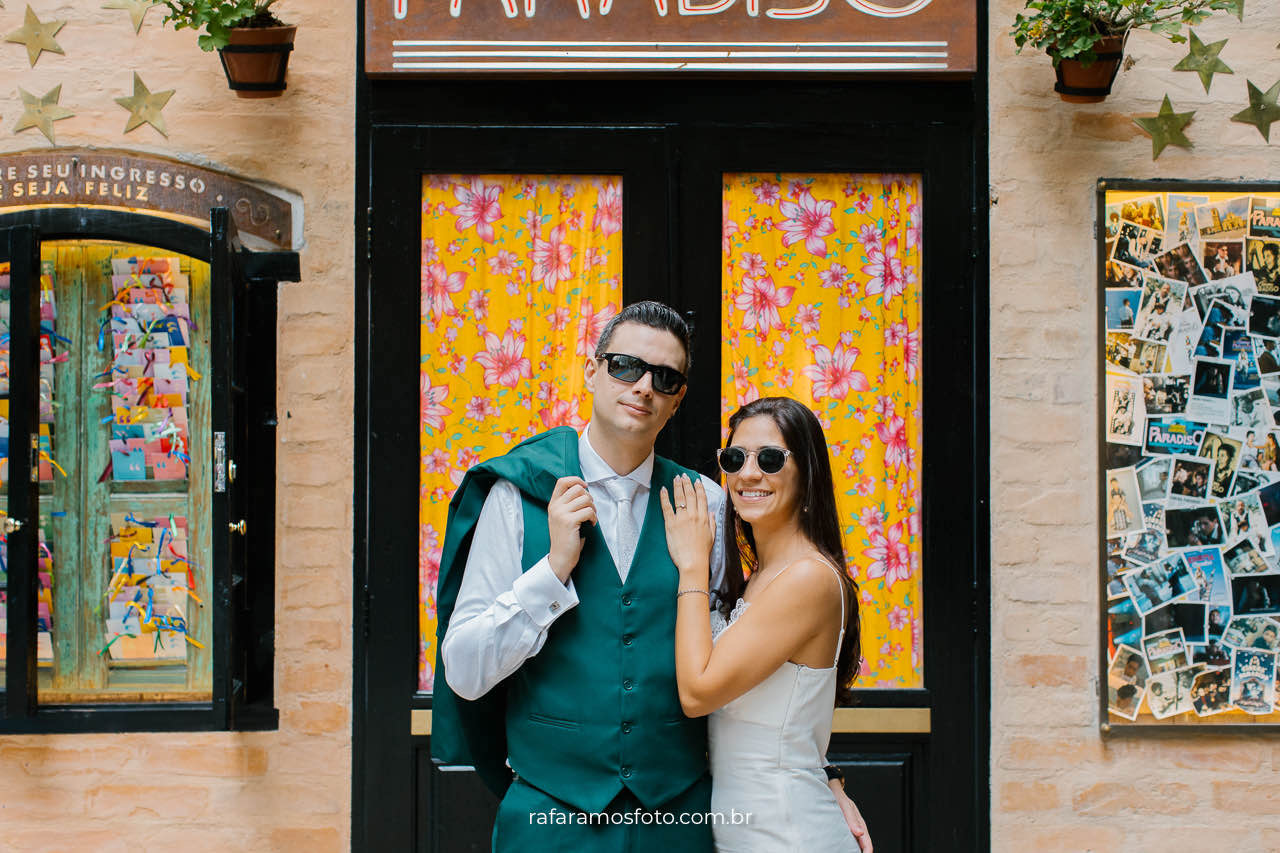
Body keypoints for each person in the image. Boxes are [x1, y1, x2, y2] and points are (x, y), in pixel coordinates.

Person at [434, 302, 728, 851]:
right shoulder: (515, 493)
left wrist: (819, 771)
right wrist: (551, 571)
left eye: (665, 378)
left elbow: (737, 661)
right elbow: (465, 671)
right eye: (624, 367)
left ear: (679, 398)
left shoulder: (705, 502)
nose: (643, 387)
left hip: (678, 819)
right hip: (549, 818)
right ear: (591, 371)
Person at [661, 397, 871, 852]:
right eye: (734, 459)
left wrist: (693, 567)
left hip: (787, 834)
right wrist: (830, 774)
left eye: (770, 459)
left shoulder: (808, 579)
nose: (748, 474)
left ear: (807, 470)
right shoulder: (760, 576)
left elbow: (697, 694)